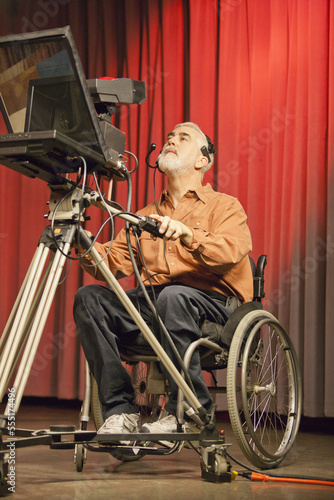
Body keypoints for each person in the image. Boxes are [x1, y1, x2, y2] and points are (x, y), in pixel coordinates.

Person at [73, 122, 253, 439]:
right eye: (170, 137)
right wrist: (81, 241)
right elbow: (112, 263)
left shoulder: (224, 206)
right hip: (157, 307)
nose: (171, 140)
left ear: (202, 160)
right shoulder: (145, 215)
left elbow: (230, 251)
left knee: (174, 296)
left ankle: (188, 407)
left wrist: (187, 234)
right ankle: (120, 410)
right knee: (90, 298)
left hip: (214, 308)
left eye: (183, 138)